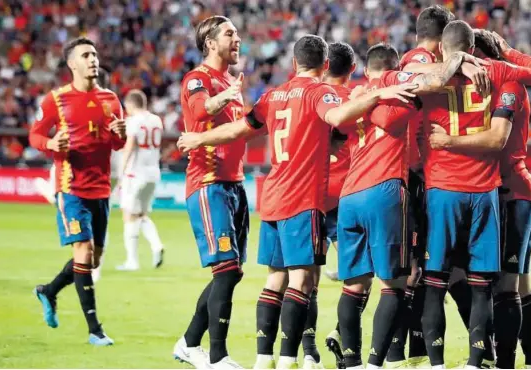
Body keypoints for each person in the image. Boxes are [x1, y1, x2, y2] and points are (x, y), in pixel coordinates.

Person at [177, 34, 417, 370]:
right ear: (326, 65)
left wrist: (200, 136)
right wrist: (378, 92)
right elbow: (337, 117)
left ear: (293, 63)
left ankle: (264, 359)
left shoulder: (273, 94)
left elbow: (240, 129)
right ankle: (292, 357)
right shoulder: (320, 92)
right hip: (303, 197)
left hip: (272, 195)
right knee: (303, 280)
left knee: (275, 278)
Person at [335, 42, 482, 369]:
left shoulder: (353, 95)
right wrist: (454, 63)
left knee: (355, 285)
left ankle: (352, 361)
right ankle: (375, 364)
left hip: (349, 195)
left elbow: (336, 126)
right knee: (395, 284)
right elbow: (394, 115)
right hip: (383, 190)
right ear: (393, 68)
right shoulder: (395, 89)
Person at [419, 21, 531, 368]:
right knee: (497, 283)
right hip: (495, 188)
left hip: (507, 191)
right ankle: (505, 357)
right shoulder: (501, 79)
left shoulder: (504, 82)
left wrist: (501, 52)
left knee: (508, 286)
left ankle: (510, 360)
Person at [29, 37, 126, 346]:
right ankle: (95, 329)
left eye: (95, 54)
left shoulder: (111, 98)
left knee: (93, 260)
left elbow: (117, 143)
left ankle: (48, 291)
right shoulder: (56, 100)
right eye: (86, 55)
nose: (93, 59)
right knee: (82, 253)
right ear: (72, 63)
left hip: (101, 188)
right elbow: (35, 135)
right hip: (71, 188)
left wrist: (120, 137)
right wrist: (50, 144)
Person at [171, 16, 248, 370]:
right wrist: (227, 95)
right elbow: (201, 110)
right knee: (227, 269)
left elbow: (241, 129)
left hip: (235, 184)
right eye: (229, 34)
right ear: (210, 42)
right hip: (208, 183)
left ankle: (188, 343)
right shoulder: (198, 79)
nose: (237, 39)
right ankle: (217, 356)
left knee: (230, 271)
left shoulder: (230, 82)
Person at [387, 5, 456, 368]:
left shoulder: (425, 60)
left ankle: (412, 352)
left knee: (423, 269)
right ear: (442, 38)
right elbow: (409, 71)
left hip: (419, 175)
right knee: (415, 269)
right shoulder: (419, 58)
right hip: (415, 176)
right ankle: (399, 352)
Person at [320, 41, 357, 370]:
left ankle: (304, 353)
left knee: (303, 278)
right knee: (361, 276)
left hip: (313, 192)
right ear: (353, 69)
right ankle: (342, 333)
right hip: (349, 192)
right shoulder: (356, 97)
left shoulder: (310, 95)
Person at [116, 89, 165, 271]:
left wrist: (120, 171)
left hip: (135, 174)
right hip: (153, 172)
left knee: (129, 215)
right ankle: (156, 245)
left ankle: (132, 261)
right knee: (141, 214)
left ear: (129, 105)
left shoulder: (133, 121)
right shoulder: (156, 120)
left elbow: (129, 146)